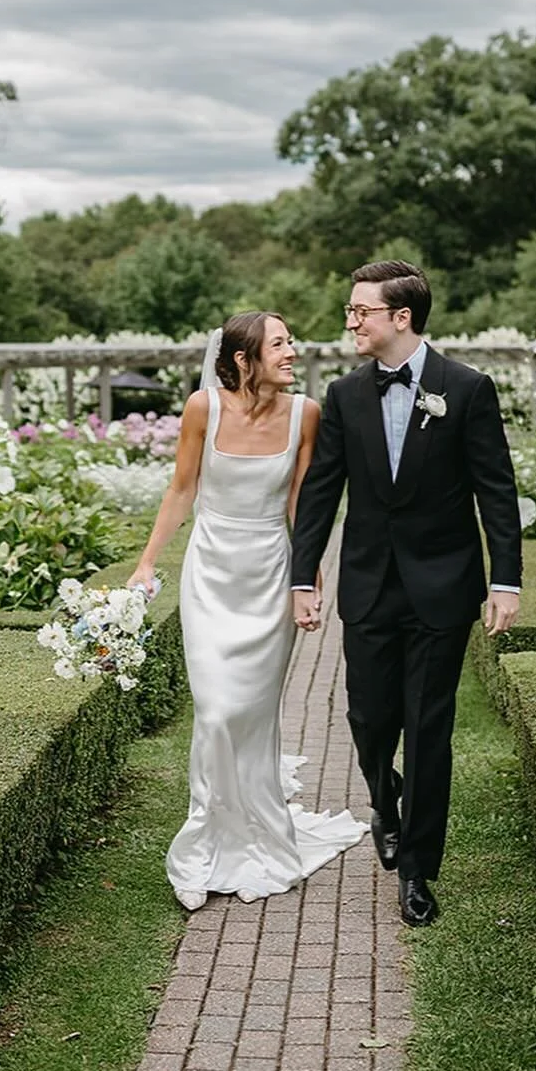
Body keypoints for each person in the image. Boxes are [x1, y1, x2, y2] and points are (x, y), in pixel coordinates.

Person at [290, 261, 522, 927]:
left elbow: (496, 491)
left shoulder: (468, 389)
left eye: (360, 311)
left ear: (401, 317)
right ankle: (384, 800)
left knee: (427, 729)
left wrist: (504, 578)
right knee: (367, 720)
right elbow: (320, 494)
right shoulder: (344, 395)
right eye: (350, 310)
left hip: (443, 588)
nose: (350, 321)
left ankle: (418, 869)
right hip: (367, 586)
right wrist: (303, 577)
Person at [128, 310, 367, 910]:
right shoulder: (202, 409)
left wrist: (305, 584)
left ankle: (255, 836)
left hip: (268, 575)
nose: (292, 352)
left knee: (254, 719)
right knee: (215, 711)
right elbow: (181, 488)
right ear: (244, 358)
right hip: (211, 573)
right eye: (280, 344)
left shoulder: (305, 414)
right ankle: (203, 846)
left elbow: (302, 508)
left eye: (291, 343)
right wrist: (147, 562)